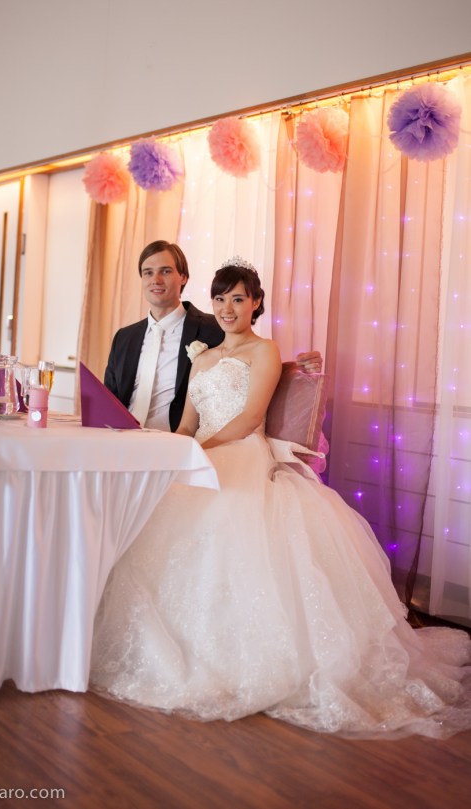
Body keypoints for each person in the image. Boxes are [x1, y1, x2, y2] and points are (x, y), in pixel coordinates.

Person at [90, 258, 471, 739]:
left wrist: (199, 451)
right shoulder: (201, 358)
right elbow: (186, 423)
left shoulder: (264, 350)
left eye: (238, 298)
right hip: (199, 453)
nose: (228, 308)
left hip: (241, 452)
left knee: (226, 519)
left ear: (256, 303)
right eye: (220, 299)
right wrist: (173, 452)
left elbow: (251, 418)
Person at [103, 240, 322, 432]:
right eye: (148, 272)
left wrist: (297, 367)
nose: (156, 280)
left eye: (166, 271)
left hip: (174, 438)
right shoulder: (124, 337)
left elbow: (247, 363)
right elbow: (109, 399)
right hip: (123, 439)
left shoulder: (216, 326)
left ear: (183, 277)